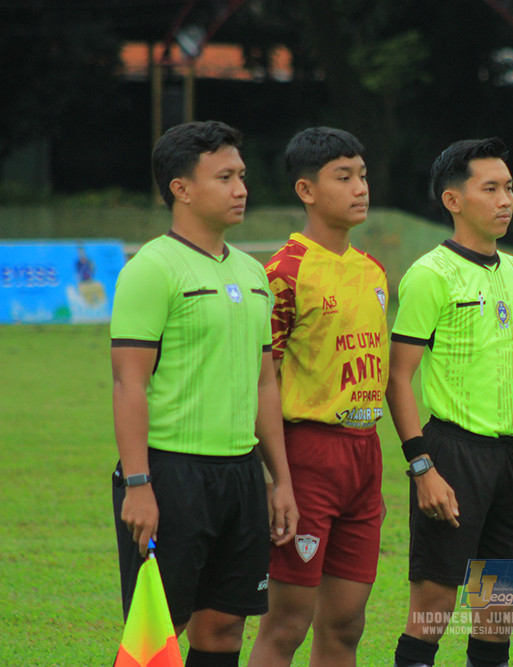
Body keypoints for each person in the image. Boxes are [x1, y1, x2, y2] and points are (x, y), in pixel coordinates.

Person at [110, 120, 298, 667]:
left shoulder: (252, 273)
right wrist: (139, 483)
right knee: (159, 631)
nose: (241, 188)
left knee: (222, 632)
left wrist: (278, 479)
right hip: (171, 473)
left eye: (241, 176)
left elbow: (266, 381)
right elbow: (129, 382)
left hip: (239, 474)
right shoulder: (151, 268)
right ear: (181, 188)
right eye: (224, 177)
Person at [388, 137, 513, 667]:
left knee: (499, 608)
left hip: (510, 457)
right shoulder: (430, 274)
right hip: (451, 453)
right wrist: (421, 464)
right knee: (434, 603)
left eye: (510, 187)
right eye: (490, 188)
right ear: (453, 200)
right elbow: (397, 378)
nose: (505, 199)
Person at [247, 127, 387, 666]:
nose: (360, 187)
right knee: (286, 625)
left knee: (347, 624)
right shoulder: (283, 273)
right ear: (306, 190)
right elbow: (263, 381)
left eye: (363, 175)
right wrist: (277, 475)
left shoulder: (372, 270)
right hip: (307, 456)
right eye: (343, 177)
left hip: (364, 454)